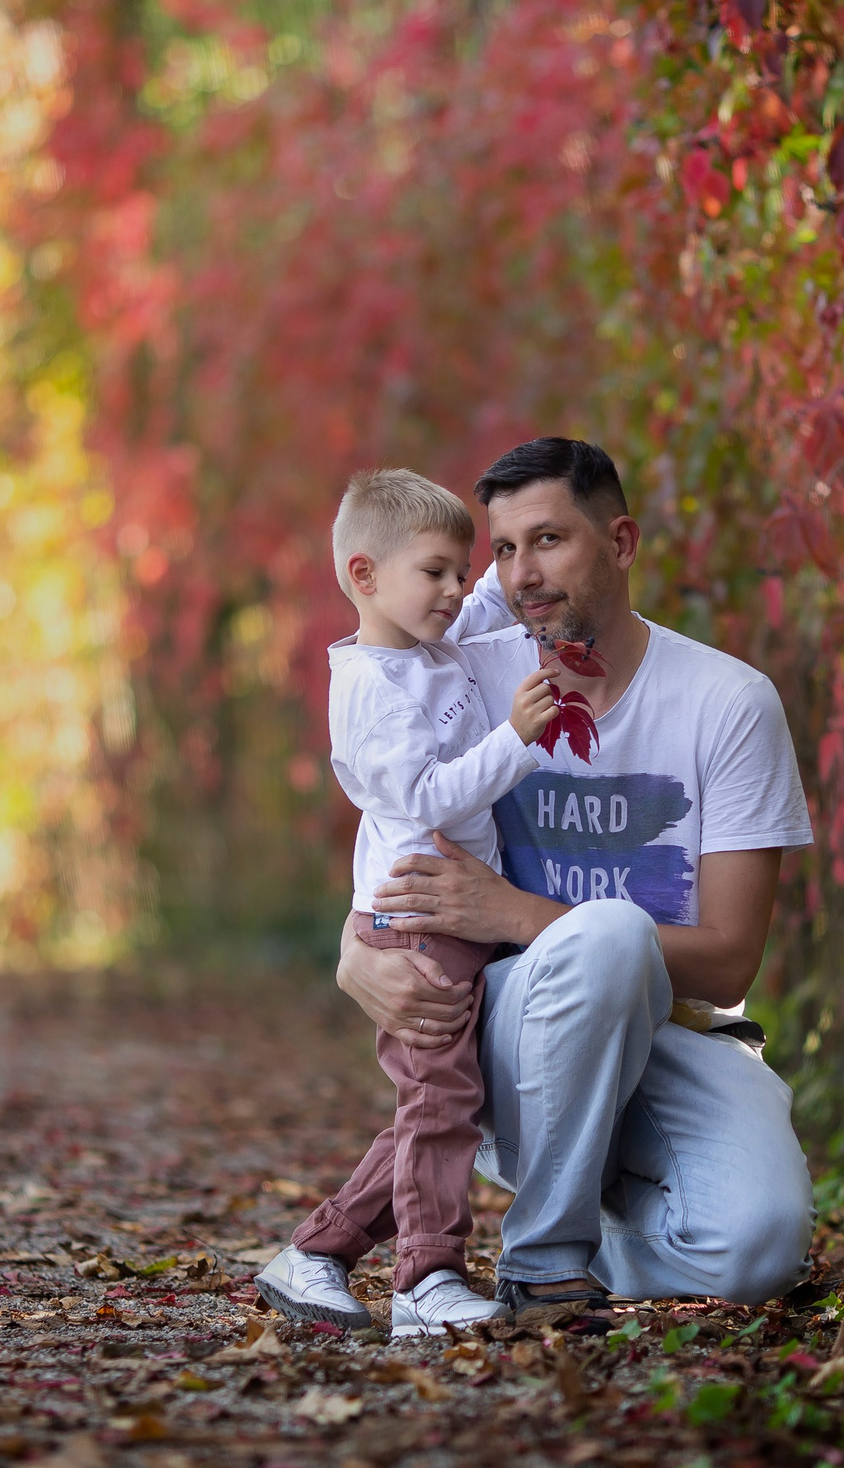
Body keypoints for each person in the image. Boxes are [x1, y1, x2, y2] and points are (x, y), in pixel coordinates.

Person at [336, 437, 816, 1326]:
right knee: (603, 934)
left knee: (759, 1247)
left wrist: (517, 912)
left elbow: (729, 964)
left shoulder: (727, 703)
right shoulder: (472, 671)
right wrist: (350, 948)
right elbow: (396, 806)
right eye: (506, 549)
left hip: (678, 1034)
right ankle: (541, 1263)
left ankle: (593, 1243)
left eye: (550, 540)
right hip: (518, 1030)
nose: (522, 574)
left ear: (622, 543)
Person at [254, 469, 564, 1341]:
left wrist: (528, 560)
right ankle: (425, 1279)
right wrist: (514, 740)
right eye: (435, 571)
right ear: (364, 577)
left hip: (456, 912)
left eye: (461, 569)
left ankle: (316, 1254)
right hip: (419, 918)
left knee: (445, 1098)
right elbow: (427, 796)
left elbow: (494, 607)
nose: (456, 588)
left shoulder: (433, 648)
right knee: (439, 1101)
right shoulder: (369, 691)